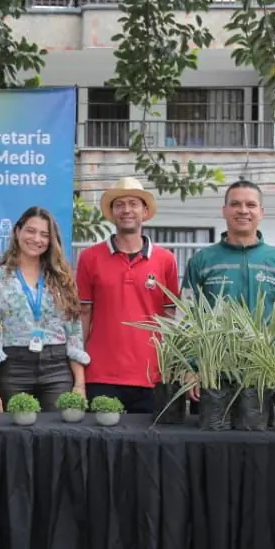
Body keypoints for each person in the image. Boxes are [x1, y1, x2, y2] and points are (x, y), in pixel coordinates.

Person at [181, 179, 275, 401]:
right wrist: (191, 367)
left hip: (264, 374)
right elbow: (187, 315)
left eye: (251, 205)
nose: (243, 210)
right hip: (213, 374)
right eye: (235, 204)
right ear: (224, 211)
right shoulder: (202, 260)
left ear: (261, 212)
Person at [75, 177, 180, 414]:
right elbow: (83, 314)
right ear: (112, 213)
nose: (126, 210)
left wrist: (172, 368)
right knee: (102, 449)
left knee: (149, 449)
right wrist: (78, 371)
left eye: (133, 203)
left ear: (145, 211)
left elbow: (170, 316)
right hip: (101, 374)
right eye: (119, 204)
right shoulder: (90, 258)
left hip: (152, 375)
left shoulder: (166, 260)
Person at [0, 206, 90, 413]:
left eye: (44, 234)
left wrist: (79, 384)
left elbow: (74, 334)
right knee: (14, 438)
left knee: (56, 435)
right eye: (30, 231)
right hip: (13, 368)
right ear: (18, 231)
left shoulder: (62, 279)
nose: (36, 239)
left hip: (57, 369)